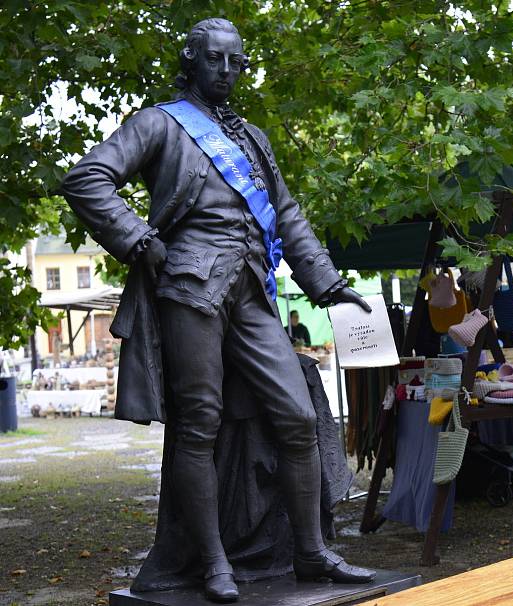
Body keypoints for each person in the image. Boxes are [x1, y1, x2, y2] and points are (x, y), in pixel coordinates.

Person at [60, 18, 374, 602]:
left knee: (297, 417)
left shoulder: (252, 138)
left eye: (236, 63)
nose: (226, 72)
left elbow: (286, 213)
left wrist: (327, 282)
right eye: (215, 61)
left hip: (251, 289)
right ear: (193, 61)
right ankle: (212, 562)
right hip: (189, 290)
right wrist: (139, 238)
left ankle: (310, 551)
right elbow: (87, 178)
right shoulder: (158, 122)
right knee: (197, 427)